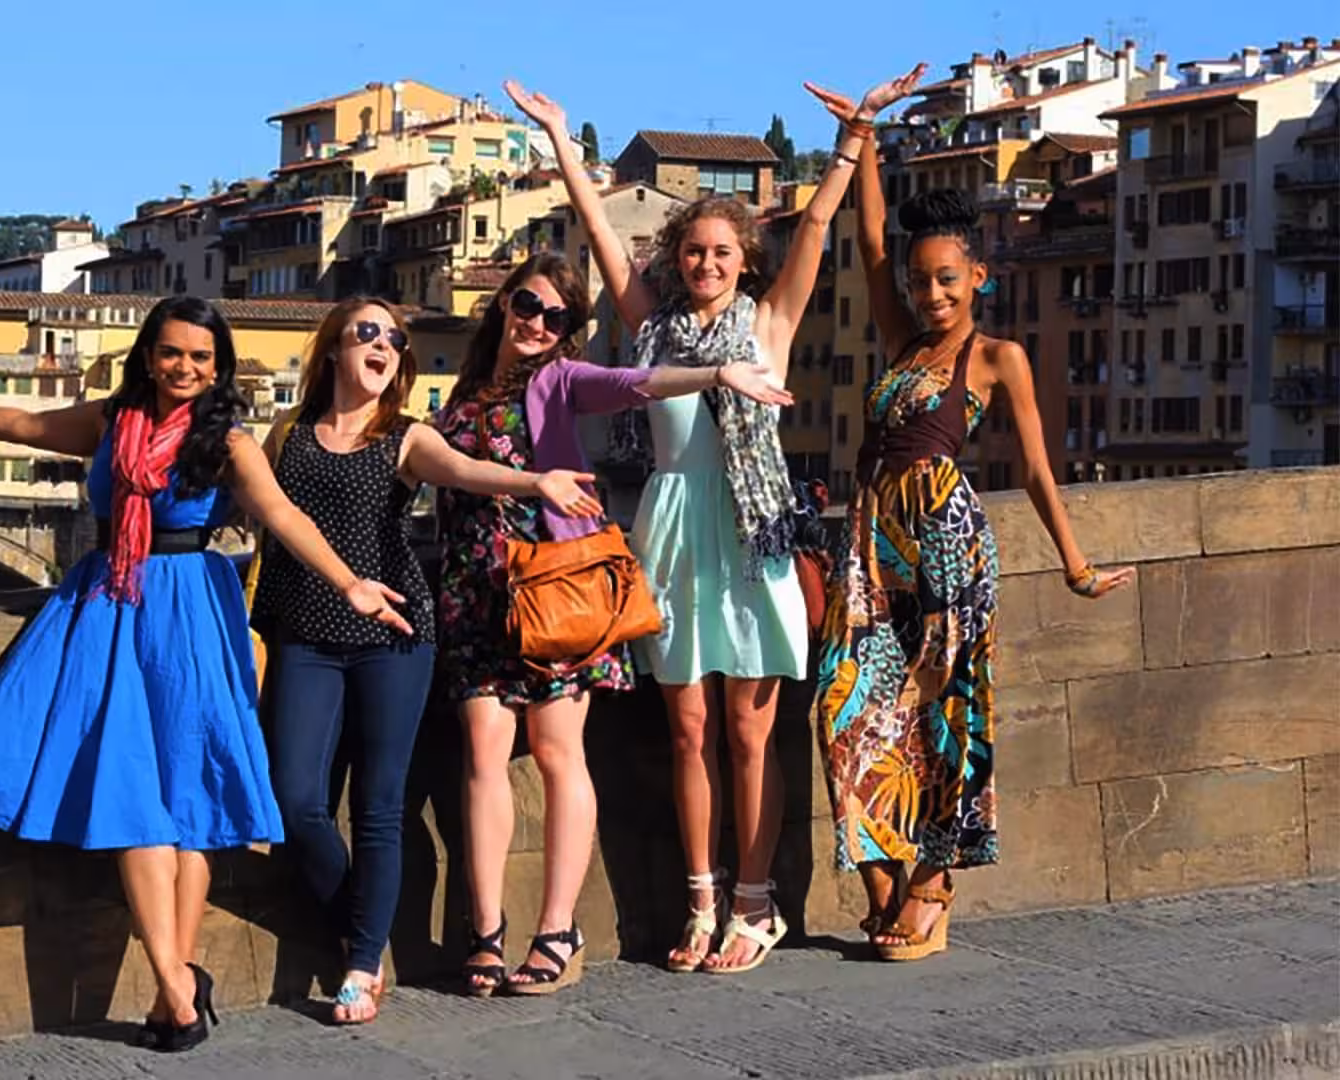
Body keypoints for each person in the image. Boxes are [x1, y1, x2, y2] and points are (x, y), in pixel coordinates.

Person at [0, 296, 412, 1052]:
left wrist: (351, 584)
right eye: (173, 353)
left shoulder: (229, 441)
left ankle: (174, 989)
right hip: (111, 604)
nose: (185, 368)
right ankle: (178, 985)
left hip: (190, 613)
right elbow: (25, 426)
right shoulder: (113, 422)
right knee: (132, 794)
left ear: (219, 367)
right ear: (148, 355)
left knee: (189, 803)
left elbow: (282, 518)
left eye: (201, 358)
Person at [508, 69, 924, 977]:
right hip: (672, 532)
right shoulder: (649, 330)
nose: (704, 265)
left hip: (755, 536)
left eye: (720, 254)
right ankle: (701, 894)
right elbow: (599, 238)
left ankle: (756, 899)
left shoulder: (768, 324)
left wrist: (854, 139)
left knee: (749, 730)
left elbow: (814, 226)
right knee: (687, 730)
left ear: (743, 264)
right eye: (693, 253)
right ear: (676, 260)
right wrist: (559, 139)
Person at [809, 86, 1135, 961]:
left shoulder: (997, 358)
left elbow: (1033, 465)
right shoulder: (901, 341)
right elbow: (872, 246)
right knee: (845, 708)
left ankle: (931, 886)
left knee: (946, 714)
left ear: (978, 278)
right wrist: (864, 140)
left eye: (945, 279)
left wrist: (1074, 563)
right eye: (920, 282)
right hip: (871, 548)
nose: (929, 293)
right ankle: (883, 876)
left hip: (948, 542)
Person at [434, 249, 792, 997]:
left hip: (556, 587)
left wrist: (718, 374)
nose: (538, 323)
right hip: (477, 592)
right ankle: (485, 933)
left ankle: (558, 930)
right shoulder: (461, 392)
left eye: (557, 318)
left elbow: (637, 382)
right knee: (482, 752)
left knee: (559, 750)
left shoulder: (560, 380)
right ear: (504, 303)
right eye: (528, 306)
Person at [248, 296, 602, 1024]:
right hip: (304, 633)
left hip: (394, 634)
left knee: (379, 806)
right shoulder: (286, 434)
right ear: (334, 349)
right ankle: (363, 925)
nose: (383, 345)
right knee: (294, 802)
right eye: (367, 333)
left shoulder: (404, 436)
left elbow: (466, 470)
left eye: (395, 339)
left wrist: (534, 482)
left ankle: (360, 963)